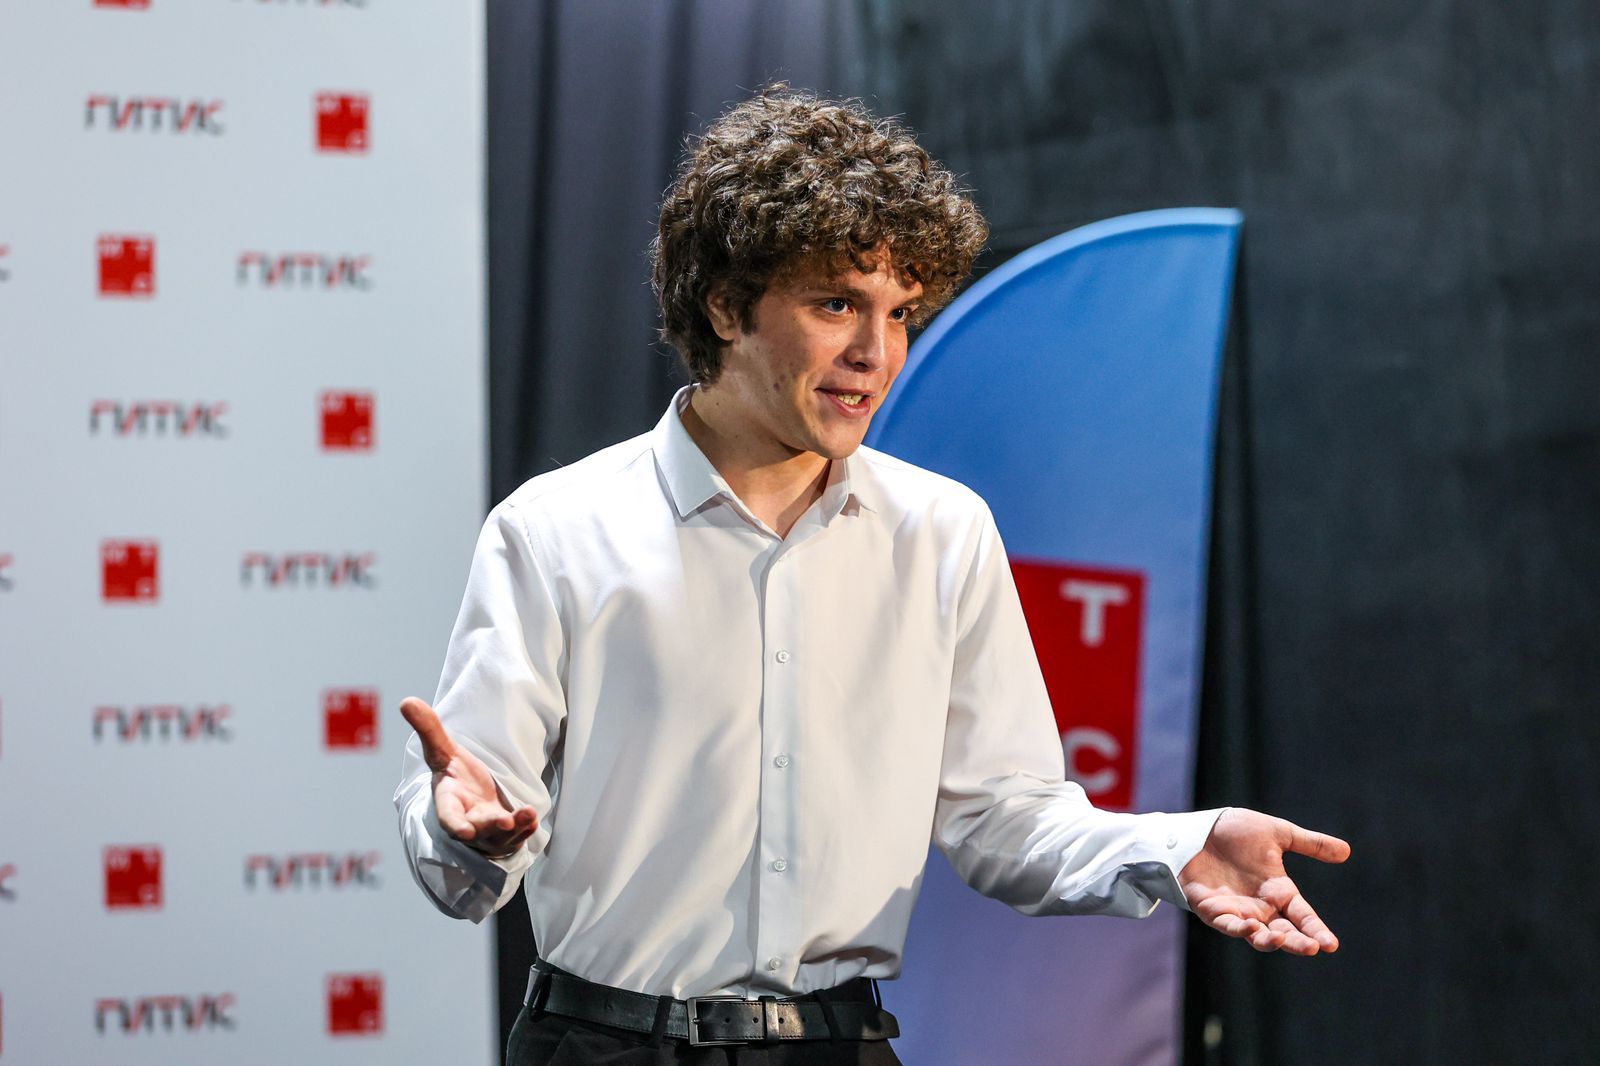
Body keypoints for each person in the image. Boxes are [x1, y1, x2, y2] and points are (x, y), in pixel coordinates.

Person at [394, 86, 1350, 1065]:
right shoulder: (555, 531)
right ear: (724, 305)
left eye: (899, 313)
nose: (875, 353)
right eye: (837, 304)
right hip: (603, 1046)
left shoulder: (942, 531)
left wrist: (1174, 849)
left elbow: (1004, 818)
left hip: (838, 1044)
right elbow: (468, 842)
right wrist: (465, 832)